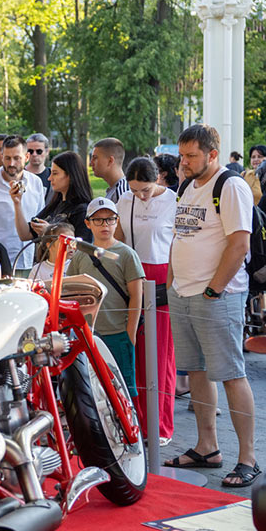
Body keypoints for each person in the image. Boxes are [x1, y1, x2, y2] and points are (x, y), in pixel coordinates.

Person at [163, 124, 260, 487]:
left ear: (212, 154)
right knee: (197, 372)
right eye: (181, 156)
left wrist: (214, 290)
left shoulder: (230, 186)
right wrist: (172, 284)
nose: (183, 163)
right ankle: (207, 447)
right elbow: (179, 237)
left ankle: (248, 458)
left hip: (218, 296)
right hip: (184, 294)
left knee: (231, 374)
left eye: (191, 156)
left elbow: (239, 244)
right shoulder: (187, 185)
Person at [115, 156, 177, 446]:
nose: (141, 195)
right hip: (133, 274)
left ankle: (161, 425)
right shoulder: (125, 200)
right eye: (135, 190)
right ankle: (137, 420)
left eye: (146, 190)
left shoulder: (173, 201)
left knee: (161, 353)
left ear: (158, 179)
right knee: (135, 349)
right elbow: (118, 239)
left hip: (162, 275)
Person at [66, 197, 144, 396]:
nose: (105, 225)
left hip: (118, 332)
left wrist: (130, 332)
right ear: (88, 223)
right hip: (88, 333)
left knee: (122, 391)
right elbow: (71, 293)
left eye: (110, 219)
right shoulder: (81, 255)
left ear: (117, 221)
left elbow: (136, 295)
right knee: (92, 389)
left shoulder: (126, 254)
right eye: (98, 220)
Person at [0, 134, 45, 272]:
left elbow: (40, 219)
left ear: (26, 157)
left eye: (17, 158)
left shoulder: (36, 183)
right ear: (1, 156)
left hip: (30, 262)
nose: (11, 163)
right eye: (7, 158)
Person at [12, 150, 93, 244]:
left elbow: (82, 248)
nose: (49, 178)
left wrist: (50, 232)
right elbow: (25, 235)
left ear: (70, 176)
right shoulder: (55, 205)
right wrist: (17, 203)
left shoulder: (82, 210)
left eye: (55, 173)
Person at [89, 137, 129, 202]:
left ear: (110, 161)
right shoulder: (114, 190)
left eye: (95, 158)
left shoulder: (121, 193)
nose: (91, 163)